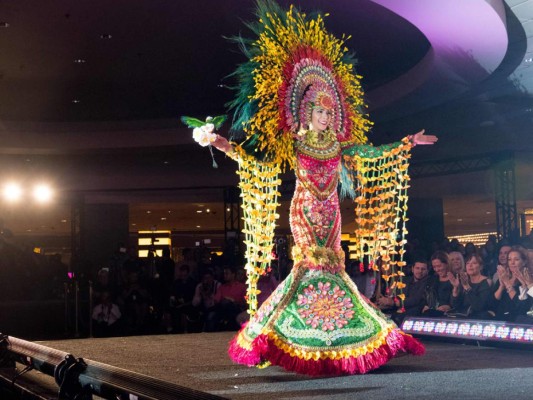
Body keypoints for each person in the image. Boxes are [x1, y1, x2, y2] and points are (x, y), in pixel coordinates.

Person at [189, 1, 436, 376]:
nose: (327, 117)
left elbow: (371, 152)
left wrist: (406, 143)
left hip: (332, 214)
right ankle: (288, 336)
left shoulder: (338, 145)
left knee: (335, 270)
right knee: (307, 269)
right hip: (304, 211)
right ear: (307, 112)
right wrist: (220, 143)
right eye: (321, 112)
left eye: (330, 113)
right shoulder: (294, 144)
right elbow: (257, 161)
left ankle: (343, 337)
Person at [449, 254, 493, 319]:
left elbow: (479, 306)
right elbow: (454, 305)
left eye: (474, 263)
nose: (470, 265)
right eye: (467, 263)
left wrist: (467, 286)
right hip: (463, 317)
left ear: (481, 267)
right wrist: (455, 288)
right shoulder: (464, 281)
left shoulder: (486, 282)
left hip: (479, 319)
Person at [422, 251, 453, 316]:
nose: (437, 269)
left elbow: (460, 300)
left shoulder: (455, 279)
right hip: (432, 312)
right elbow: (425, 296)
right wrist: (426, 305)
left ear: (447, 264)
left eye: (439, 266)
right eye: (434, 267)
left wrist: (449, 306)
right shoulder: (431, 280)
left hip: (449, 314)